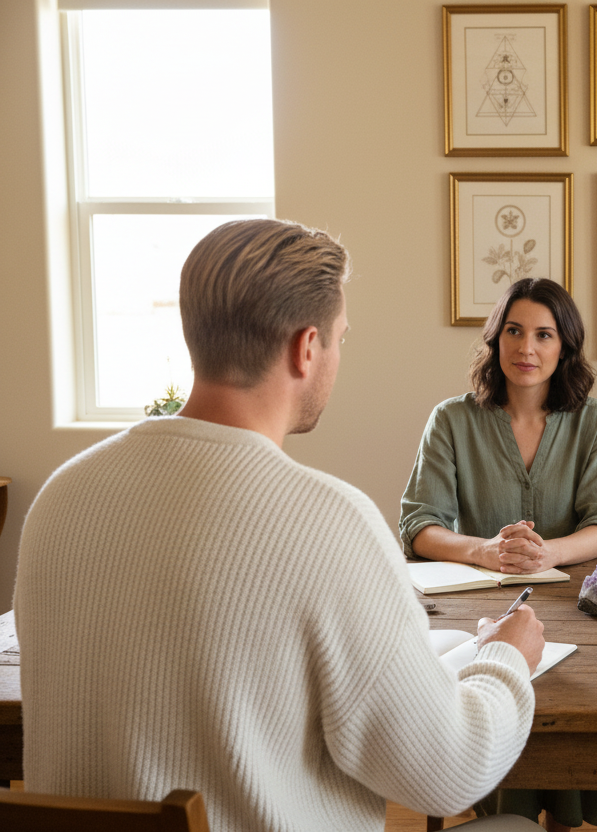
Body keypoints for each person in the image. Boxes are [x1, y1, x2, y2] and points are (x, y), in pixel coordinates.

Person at [14, 219, 547, 832]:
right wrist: (506, 658)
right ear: (306, 346)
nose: (340, 357)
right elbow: (447, 772)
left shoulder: (59, 499)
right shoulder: (327, 521)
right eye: (342, 339)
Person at [399, 277, 597, 830]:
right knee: (493, 722)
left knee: (583, 725)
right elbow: (417, 524)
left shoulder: (594, 421)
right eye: (514, 331)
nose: (527, 348)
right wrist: (485, 550)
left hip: (580, 612)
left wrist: (549, 552)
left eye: (544, 335)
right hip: (482, 611)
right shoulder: (451, 419)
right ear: (495, 340)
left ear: (564, 346)